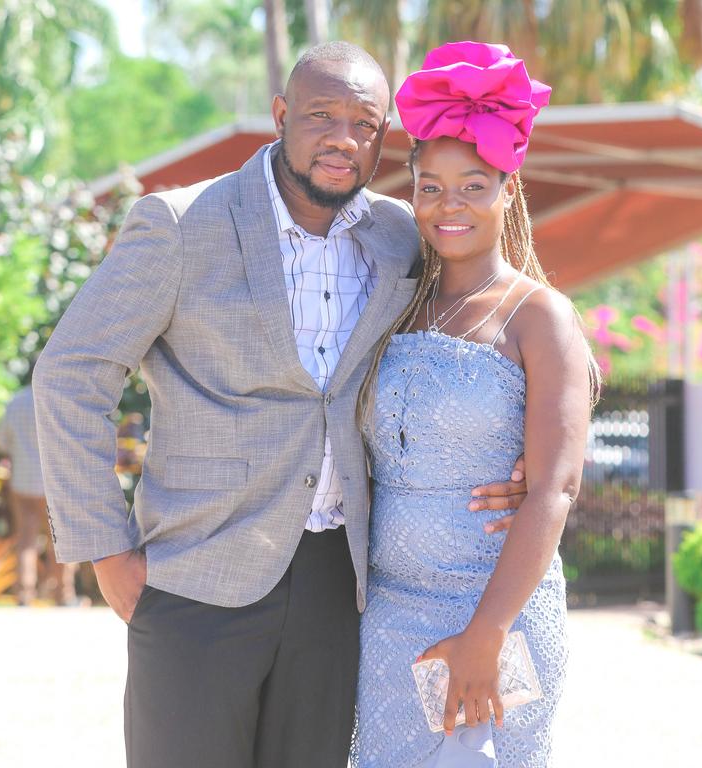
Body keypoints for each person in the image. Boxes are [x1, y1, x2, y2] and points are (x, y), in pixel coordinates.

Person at [33, 42, 526, 768]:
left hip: (338, 585)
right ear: (280, 114)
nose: (343, 139)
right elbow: (71, 374)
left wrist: (509, 456)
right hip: (197, 574)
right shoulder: (180, 224)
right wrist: (104, 549)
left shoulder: (397, 236)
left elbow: (474, 325)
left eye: (365, 123)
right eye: (322, 116)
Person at [352, 42, 599, 767]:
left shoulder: (539, 316)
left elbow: (555, 486)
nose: (448, 205)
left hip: (498, 616)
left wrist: (487, 633)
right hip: (388, 619)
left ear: (508, 191)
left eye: (473, 186)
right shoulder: (396, 306)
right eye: (430, 187)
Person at [0, 384, 78, 606]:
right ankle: (63, 594)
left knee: (26, 540)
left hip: (22, 481)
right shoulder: (59, 398)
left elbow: (3, 441)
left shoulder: (16, 401)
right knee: (60, 540)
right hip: (55, 482)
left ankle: (24, 594)